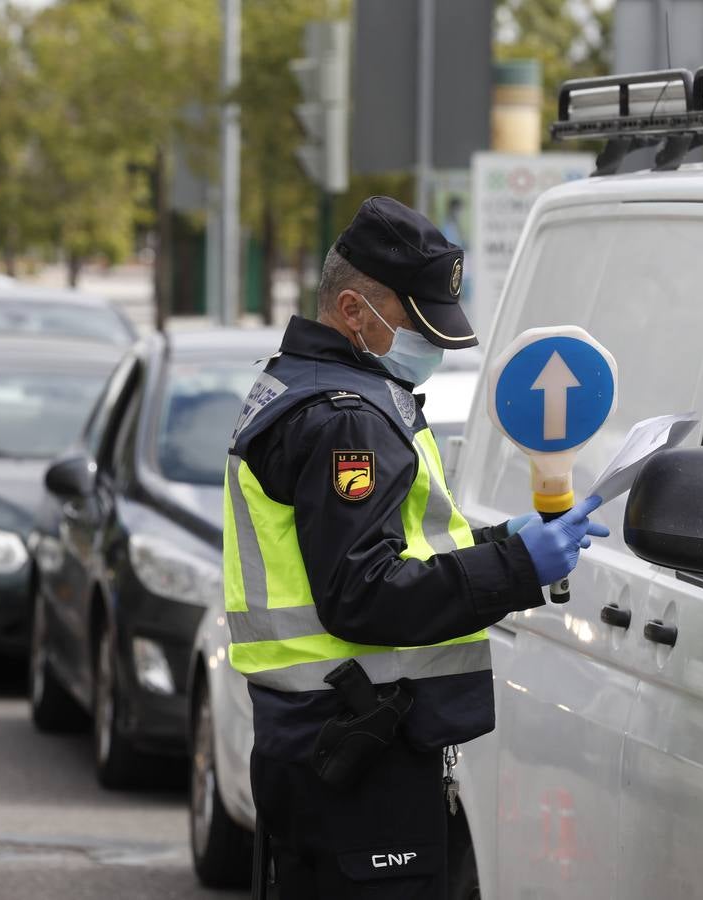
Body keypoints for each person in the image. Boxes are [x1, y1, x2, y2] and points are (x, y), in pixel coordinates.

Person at [224, 196, 607, 897]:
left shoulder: (305, 389)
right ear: (352, 311)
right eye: (417, 324)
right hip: (354, 754)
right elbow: (363, 594)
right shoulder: (348, 421)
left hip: (321, 743)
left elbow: (382, 556)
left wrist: (500, 541)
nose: (430, 347)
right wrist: (518, 568)